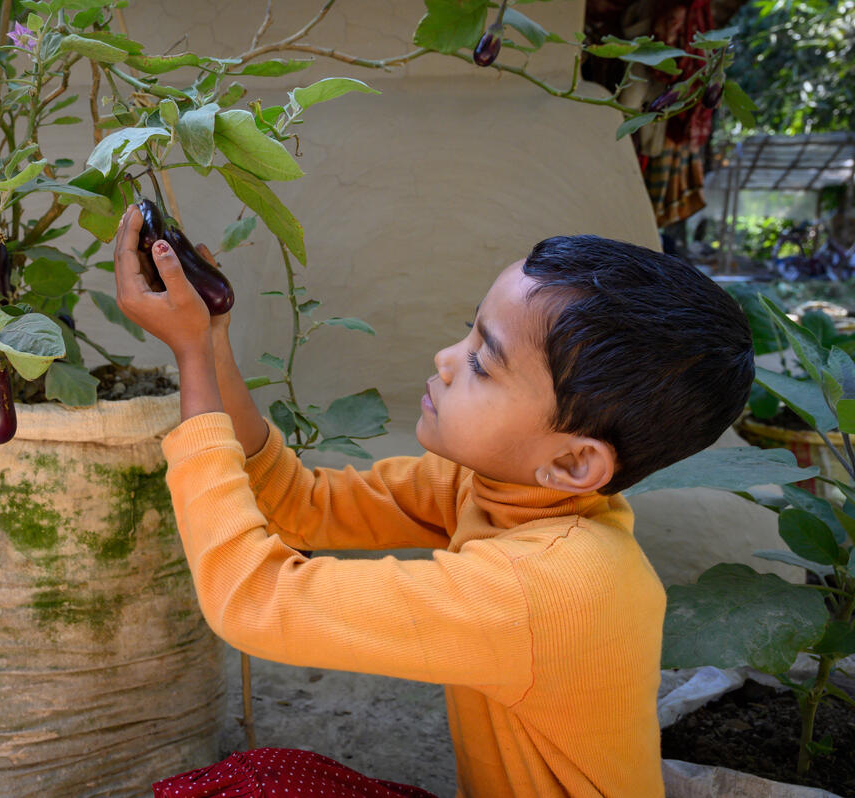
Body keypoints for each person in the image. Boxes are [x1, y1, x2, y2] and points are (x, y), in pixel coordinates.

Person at [112, 205, 754, 797]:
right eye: (467, 334)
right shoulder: (502, 490)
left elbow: (251, 601)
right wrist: (215, 339)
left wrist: (190, 356)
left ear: (572, 462)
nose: (446, 360)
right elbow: (297, 503)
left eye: (483, 363)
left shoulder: (547, 587)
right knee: (264, 777)